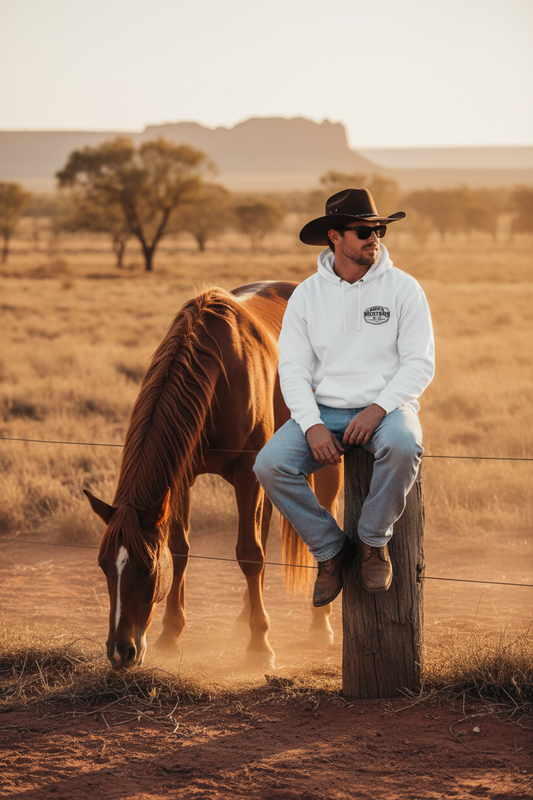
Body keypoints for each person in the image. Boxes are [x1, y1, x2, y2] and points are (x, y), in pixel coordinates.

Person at [254, 188, 435, 606]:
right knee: (269, 464)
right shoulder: (306, 296)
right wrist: (313, 424)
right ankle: (331, 549)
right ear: (335, 236)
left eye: (379, 229)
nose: (375, 237)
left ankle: (372, 543)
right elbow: (293, 369)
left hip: (389, 408)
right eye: (363, 230)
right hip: (326, 410)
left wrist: (377, 409)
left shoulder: (404, 289)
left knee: (405, 445)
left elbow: (420, 364)